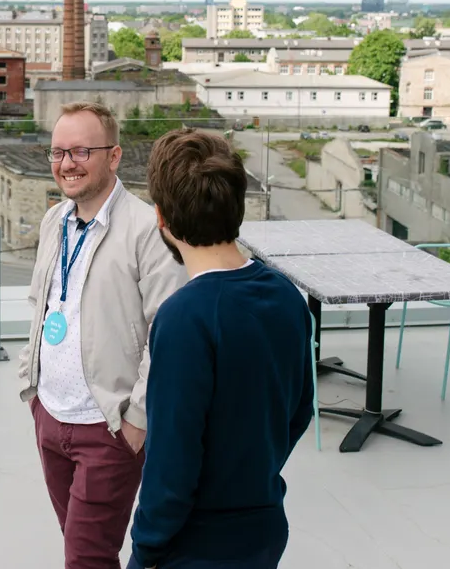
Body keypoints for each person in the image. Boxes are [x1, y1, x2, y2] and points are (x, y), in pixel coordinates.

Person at [128, 129, 313, 569]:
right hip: (264, 525)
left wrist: (146, 548)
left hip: (197, 544)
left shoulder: (182, 319)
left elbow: (171, 461)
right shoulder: (288, 295)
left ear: (161, 219)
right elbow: (299, 410)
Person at [18, 102, 188, 569]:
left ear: (113, 157)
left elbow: (167, 333)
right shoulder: (56, 220)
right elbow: (43, 307)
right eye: (57, 152)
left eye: (80, 151)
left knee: (86, 556)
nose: (66, 163)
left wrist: (137, 418)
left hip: (108, 425)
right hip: (51, 414)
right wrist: (33, 391)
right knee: (84, 547)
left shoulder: (146, 230)